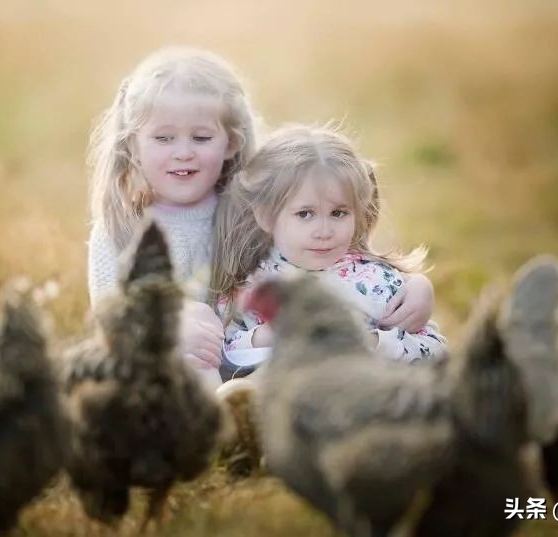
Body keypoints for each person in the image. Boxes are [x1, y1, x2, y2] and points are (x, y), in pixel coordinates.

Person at [211, 125, 445, 380]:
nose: (323, 231)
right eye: (305, 214)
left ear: (358, 213)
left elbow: (437, 353)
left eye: (338, 213)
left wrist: (372, 342)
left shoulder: (377, 282)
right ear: (266, 217)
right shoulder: (251, 288)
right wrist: (266, 335)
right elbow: (222, 356)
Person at [86, 47, 257, 385]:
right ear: (133, 145)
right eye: (163, 138)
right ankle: (219, 426)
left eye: (201, 137)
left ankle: (247, 412)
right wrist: (168, 327)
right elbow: (109, 323)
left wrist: (394, 288)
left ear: (231, 143)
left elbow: (328, 258)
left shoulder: (251, 216)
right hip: (165, 373)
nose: (183, 152)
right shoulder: (120, 230)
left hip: (248, 360)